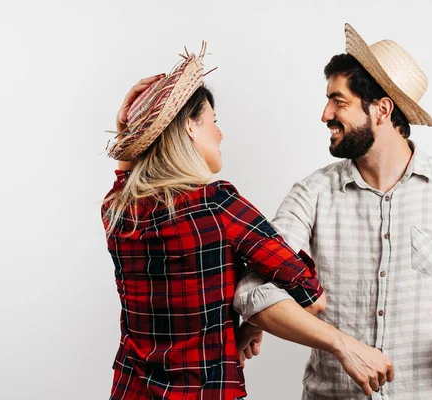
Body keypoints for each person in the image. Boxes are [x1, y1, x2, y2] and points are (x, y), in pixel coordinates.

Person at [234, 24, 432, 399]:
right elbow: (252, 290)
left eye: (338, 101)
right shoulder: (312, 193)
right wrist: (343, 345)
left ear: (382, 109)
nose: (325, 114)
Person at [103, 43, 394, 400]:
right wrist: (255, 312)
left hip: (129, 390)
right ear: (190, 128)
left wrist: (127, 131)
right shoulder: (218, 205)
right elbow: (311, 295)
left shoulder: (117, 211)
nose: (220, 133)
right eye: (213, 122)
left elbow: (125, 177)